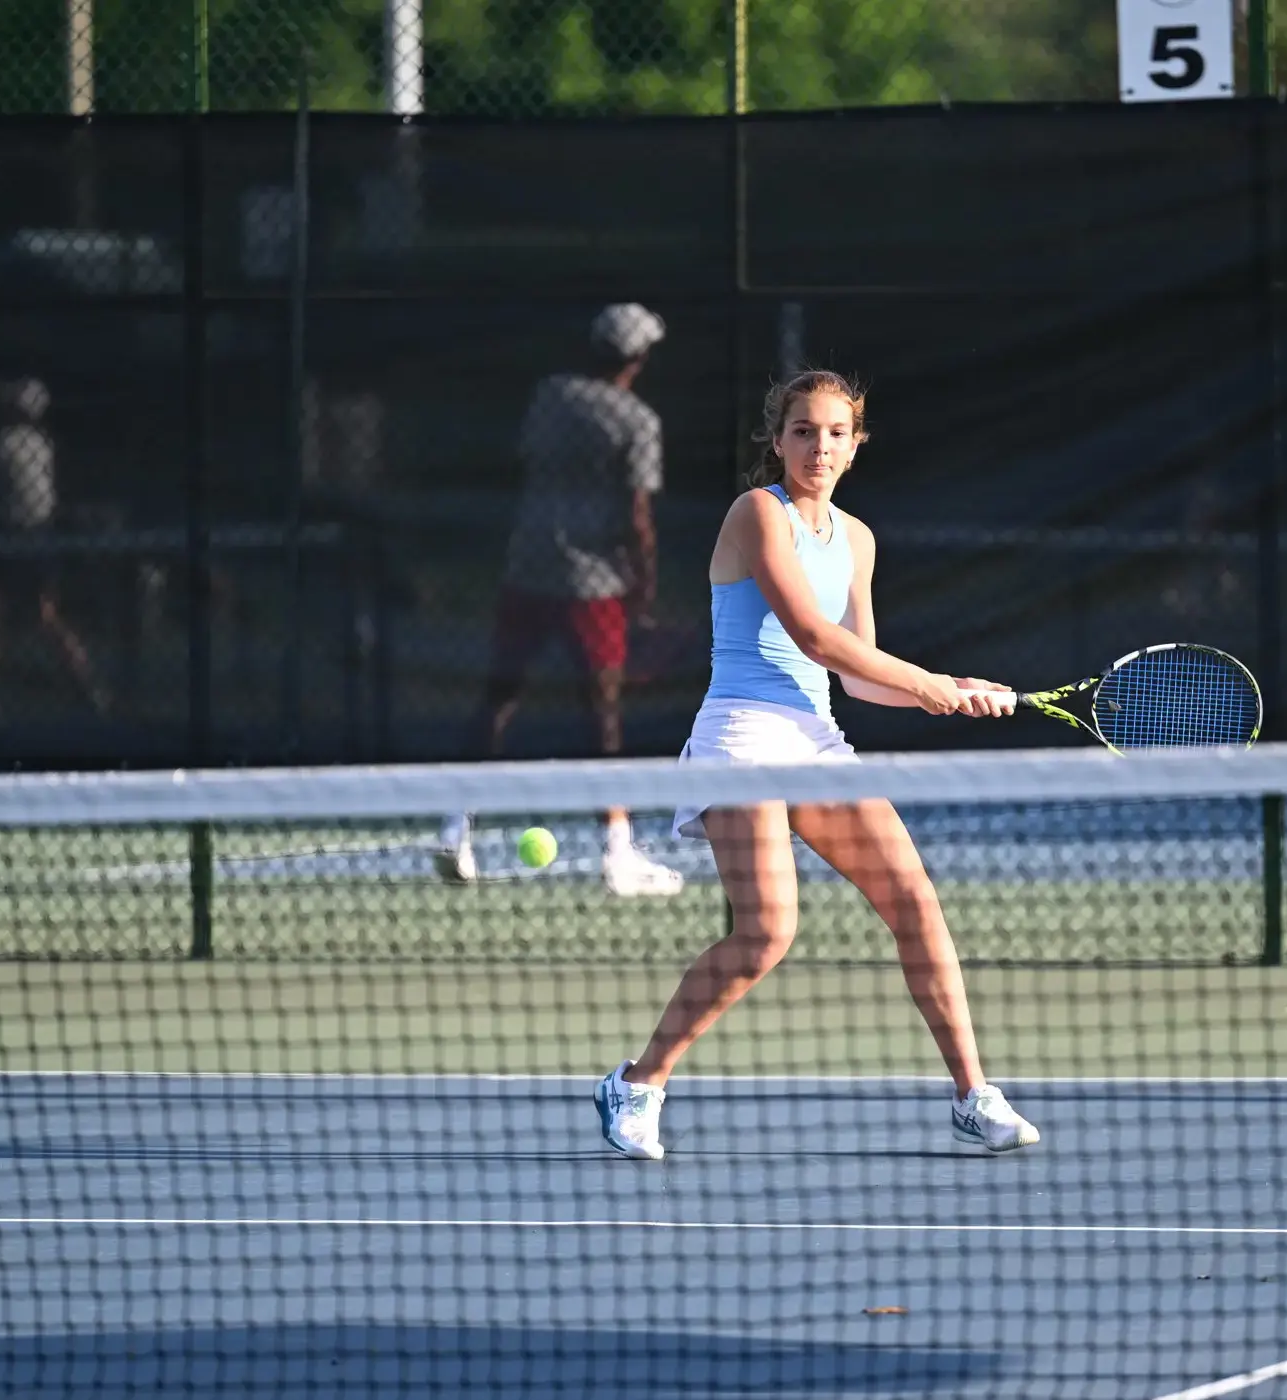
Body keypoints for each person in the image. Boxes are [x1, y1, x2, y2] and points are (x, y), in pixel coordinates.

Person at [593, 370, 1042, 1161]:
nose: (820, 446)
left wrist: (953, 690)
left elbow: (858, 672)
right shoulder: (755, 514)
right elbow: (811, 637)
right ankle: (637, 1081)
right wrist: (930, 682)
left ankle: (974, 1095)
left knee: (915, 900)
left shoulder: (858, 540)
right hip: (741, 737)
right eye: (803, 431)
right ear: (777, 440)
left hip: (815, 737)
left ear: (856, 444)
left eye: (836, 432)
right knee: (767, 932)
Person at [435, 304, 682, 897]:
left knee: (497, 703)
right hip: (594, 589)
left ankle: (452, 828)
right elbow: (639, 517)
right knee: (604, 719)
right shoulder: (638, 421)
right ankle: (618, 855)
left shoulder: (549, 397)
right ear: (639, 359)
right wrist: (645, 586)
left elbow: (532, 464)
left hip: (527, 572)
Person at [0, 377, 109, 728]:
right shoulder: (41, 444)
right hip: (40, 537)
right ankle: (88, 688)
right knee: (45, 615)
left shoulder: (1, 445)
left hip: (10, 536)